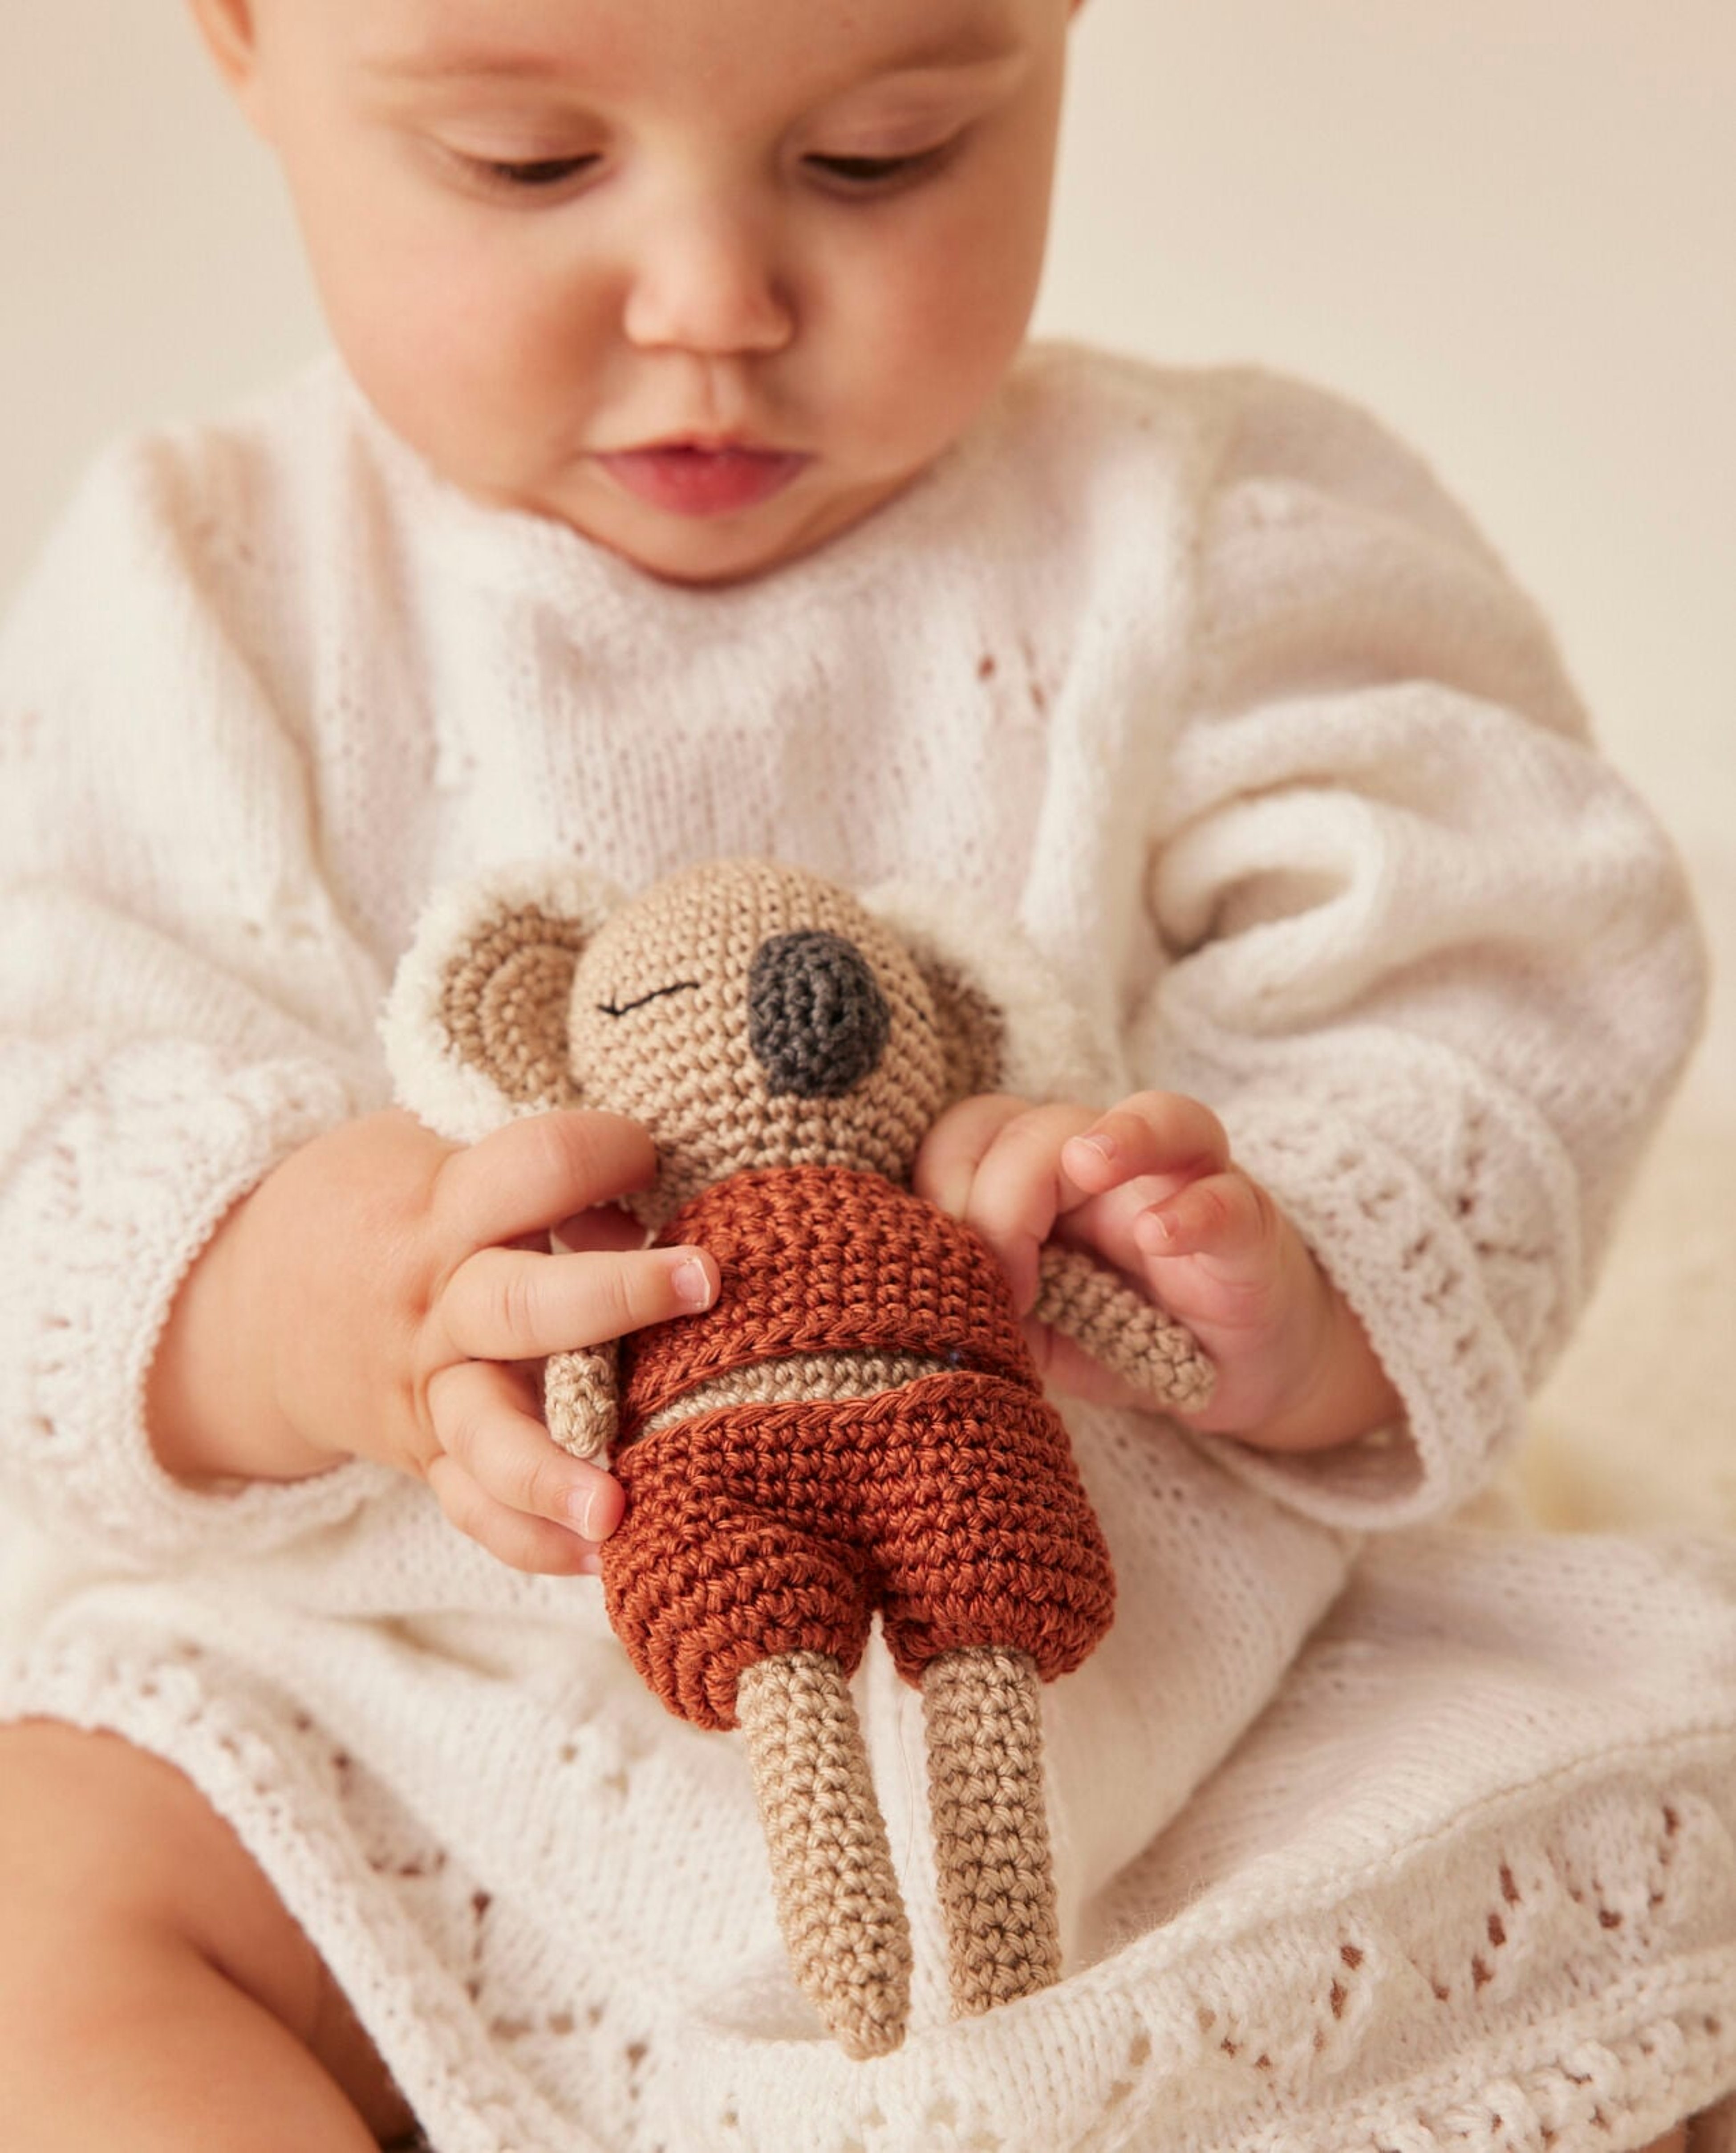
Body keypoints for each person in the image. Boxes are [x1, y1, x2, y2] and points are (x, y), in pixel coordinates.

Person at [0, 0, 1729, 2145]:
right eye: (534, 167)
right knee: (58, 1885)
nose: (715, 303)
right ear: (247, 37)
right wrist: (307, 1296)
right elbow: (48, 1115)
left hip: (1146, 1700)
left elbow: (1506, 971)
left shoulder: (1206, 529)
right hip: (433, 1726)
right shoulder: (200, 590)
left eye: (883, 154)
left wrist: (1278, 1263)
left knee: (1610, 1862)